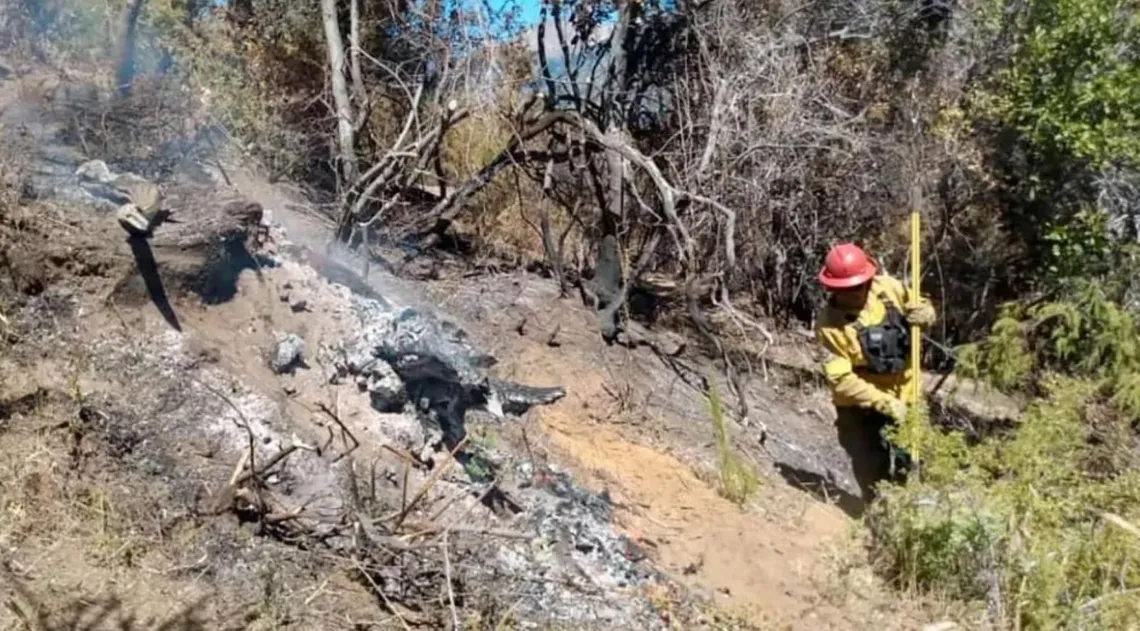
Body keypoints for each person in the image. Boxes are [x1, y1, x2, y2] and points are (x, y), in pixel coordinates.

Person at [813, 242, 936, 504]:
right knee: (871, 467)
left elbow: (922, 306)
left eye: (860, 285)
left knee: (910, 460)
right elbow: (841, 380)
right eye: (846, 289)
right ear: (832, 288)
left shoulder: (888, 288)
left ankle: (907, 512)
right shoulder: (828, 327)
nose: (856, 293)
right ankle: (874, 513)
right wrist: (884, 402)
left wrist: (926, 314)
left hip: (906, 391)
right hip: (860, 407)